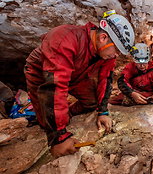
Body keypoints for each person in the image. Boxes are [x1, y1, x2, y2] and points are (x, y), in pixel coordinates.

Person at [24, 10, 135, 158]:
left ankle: (65, 114)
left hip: (76, 73)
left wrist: (103, 111)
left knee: (92, 102)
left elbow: (105, 79)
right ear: (103, 37)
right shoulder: (65, 38)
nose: (116, 56)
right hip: (43, 74)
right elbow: (54, 87)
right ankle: (56, 124)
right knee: (47, 121)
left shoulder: (105, 55)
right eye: (117, 51)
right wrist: (59, 138)